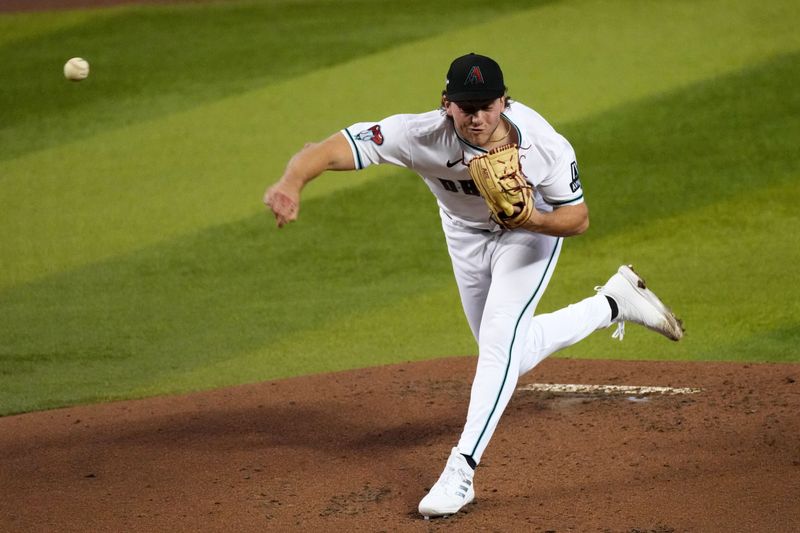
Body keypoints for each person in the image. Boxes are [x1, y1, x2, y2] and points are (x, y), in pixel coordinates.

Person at [264, 53, 684, 518]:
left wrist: (534, 218)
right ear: (446, 104)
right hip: (463, 238)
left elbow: (578, 218)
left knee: (500, 340)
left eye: (487, 105)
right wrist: (291, 183)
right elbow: (327, 148)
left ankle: (460, 472)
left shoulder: (542, 144)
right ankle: (612, 303)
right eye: (466, 107)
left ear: (504, 101)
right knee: (505, 352)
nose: (477, 116)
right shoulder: (419, 135)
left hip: (528, 238)